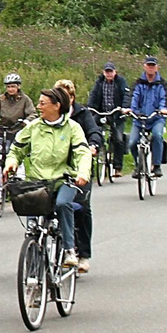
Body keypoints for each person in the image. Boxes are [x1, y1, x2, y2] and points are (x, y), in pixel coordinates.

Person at [9, 88, 92, 268]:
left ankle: (70, 249)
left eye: (42, 103)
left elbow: (83, 152)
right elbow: (17, 148)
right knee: (32, 221)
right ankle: (33, 266)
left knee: (63, 204)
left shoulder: (72, 128)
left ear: (56, 106)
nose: (39, 107)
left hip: (64, 180)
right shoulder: (34, 127)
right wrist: (12, 162)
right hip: (39, 181)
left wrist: (83, 173)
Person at [53, 80, 102, 273]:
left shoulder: (83, 114)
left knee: (82, 208)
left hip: (79, 168)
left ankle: (83, 254)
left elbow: (95, 132)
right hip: (56, 170)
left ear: (72, 98)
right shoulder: (52, 117)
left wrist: (93, 146)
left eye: (64, 97)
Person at [126, 56, 167, 177]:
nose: (151, 68)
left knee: (157, 135)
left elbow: (164, 99)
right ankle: (138, 165)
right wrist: (131, 110)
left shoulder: (162, 83)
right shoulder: (138, 83)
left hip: (156, 118)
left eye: (153, 65)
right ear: (144, 67)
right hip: (140, 118)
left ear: (157, 67)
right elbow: (134, 97)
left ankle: (156, 166)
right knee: (132, 142)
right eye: (148, 65)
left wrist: (163, 109)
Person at [87, 61, 130, 178]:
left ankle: (117, 167)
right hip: (102, 113)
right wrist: (89, 108)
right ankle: (91, 164)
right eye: (107, 72)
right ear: (104, 72)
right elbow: (93, 95)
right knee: (92, 132)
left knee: (118, 139)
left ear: (115, 72)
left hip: (116, 114)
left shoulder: (121, 82)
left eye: (111, 71)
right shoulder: (99, 82)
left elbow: (126, 95)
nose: (109, 74)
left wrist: (124, 108)